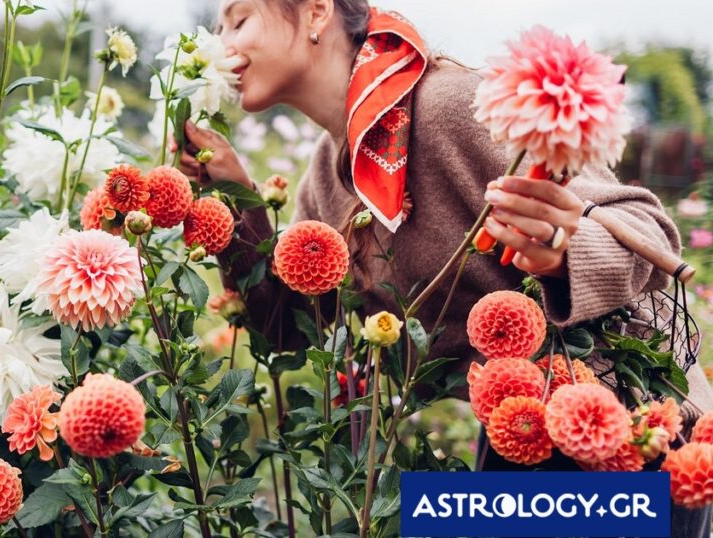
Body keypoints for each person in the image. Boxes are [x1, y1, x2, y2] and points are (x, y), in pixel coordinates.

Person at [176, 0, 713, 534]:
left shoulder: (449, 106)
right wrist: (238, 200)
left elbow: (648, 232)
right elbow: (287, 331)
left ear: (317, 12)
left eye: (238, 20)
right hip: (521, 431)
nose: (222, 43)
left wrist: (563, 250)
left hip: (628, 432)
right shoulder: (325, 176)